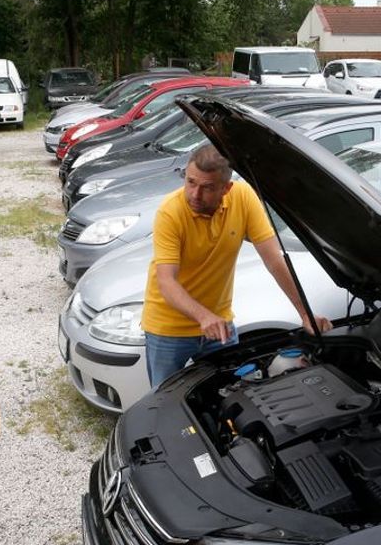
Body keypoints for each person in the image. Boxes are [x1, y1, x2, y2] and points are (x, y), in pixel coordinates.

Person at [142, 143, 332, 387]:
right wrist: (203, 316)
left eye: (207, 188)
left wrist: (305, 313)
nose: (194, 195)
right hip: (168, 328)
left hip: (219, 325)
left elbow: (274, 260)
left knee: (231, 392)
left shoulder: (243, 196)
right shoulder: (170, 212)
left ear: (226, 188)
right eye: (190, 182)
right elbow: (166, 281)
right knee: (165, 401)